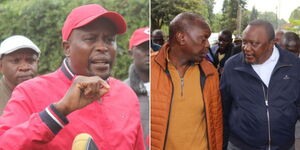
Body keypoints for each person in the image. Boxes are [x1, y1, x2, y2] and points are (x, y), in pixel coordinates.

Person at [0, 4, 145, 150]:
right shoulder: (30, 92)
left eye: (109, 40)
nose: (103, 47)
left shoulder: (127, 95)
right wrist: (58, 112)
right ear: (67, 48)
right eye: (90, 39)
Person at [221, 19, 300, 150]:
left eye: (254, 43)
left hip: (284, 145)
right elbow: (224, 107)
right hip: (240, 146)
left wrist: (287, 118)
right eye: (244, 42)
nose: (246, 48)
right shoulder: (232, 66)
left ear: (271, 44)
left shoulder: (293, 64)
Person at [151, 12, 223, 150]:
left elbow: (216, 124)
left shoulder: (210, 72)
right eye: (203, 39)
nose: (208, 44)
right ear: (181, 38)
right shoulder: (151, 68)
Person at [0, 35, 40, 114]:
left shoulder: (47, 92)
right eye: (16, 61)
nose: (25, 67)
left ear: (37, 63)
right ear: (1, 66)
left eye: (30, 60)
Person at [124, 27, 150, 149]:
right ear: (131, 53)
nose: (149, 52)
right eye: (142, 48)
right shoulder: (122, 93)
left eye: (151, 47)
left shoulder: (171, 85)